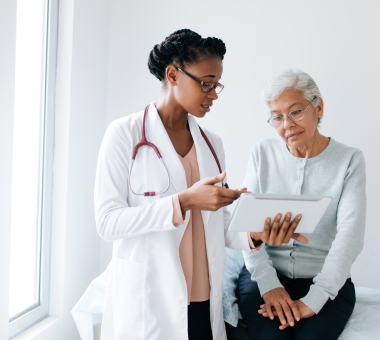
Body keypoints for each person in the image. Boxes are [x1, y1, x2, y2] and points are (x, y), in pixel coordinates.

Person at [94, 30, 306, 340]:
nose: (214, 94)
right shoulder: (123, 134)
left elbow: (218, 227)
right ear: (173, 74)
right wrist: (183, 202)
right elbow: (107, 222)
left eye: (217, 85)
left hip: (203, 297)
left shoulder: (213, 144)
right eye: (206, 83)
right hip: (149, 299)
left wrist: (256, 233)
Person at [236, 69, 366, 340]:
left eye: (295, 112)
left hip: (327, 280)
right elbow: (245, 227)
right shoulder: (262, 153)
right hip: (264, 275)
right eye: (277, 117)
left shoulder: (350, 160)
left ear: (318, 107)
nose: (287, 124)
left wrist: (316, 297)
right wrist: (270, 285)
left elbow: (350, 235)